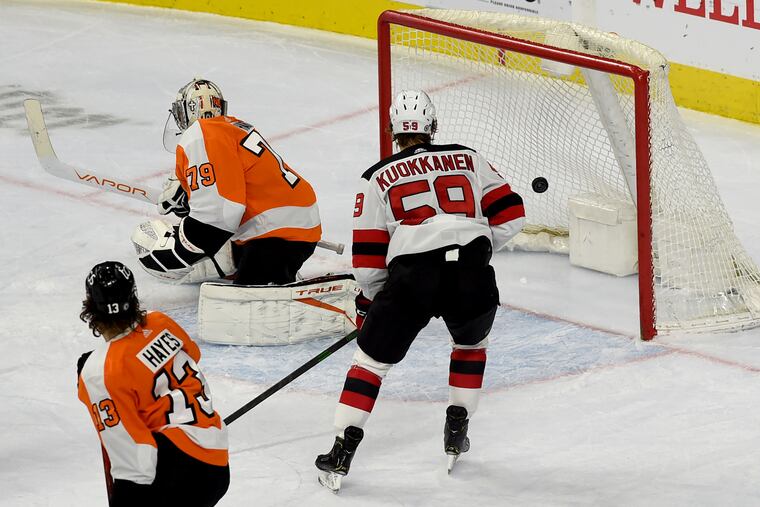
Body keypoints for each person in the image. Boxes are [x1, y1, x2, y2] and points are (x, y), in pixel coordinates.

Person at [314, 90, 526, 490]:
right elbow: (512, 215)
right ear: (433, 126)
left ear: (393, 131)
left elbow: (368, 258)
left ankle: (342, 451)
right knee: (470, 347)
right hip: (471, 272)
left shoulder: (376, 176)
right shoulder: (469, 157)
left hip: (412, 276)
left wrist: (375, 300)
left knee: (371, 365)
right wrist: (474, 248)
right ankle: (457, 429)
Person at [132, 78, 322, 285]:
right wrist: (190, 196)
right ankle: (241, 260)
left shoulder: (201, 134)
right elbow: (236, 184)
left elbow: (218, 215)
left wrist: (180, 249)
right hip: (293, 222)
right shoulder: (232, 127)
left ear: (189, 110)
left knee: (248, 301)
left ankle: (270, 273)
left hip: (276, 236)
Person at [76, 261, 229, 506]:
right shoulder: (160, 322)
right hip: (217, 463)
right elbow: (192, 356)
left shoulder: (100, 373)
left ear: (90, 308)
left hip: (178, 474)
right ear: (133, 298)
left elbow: (136, 460)